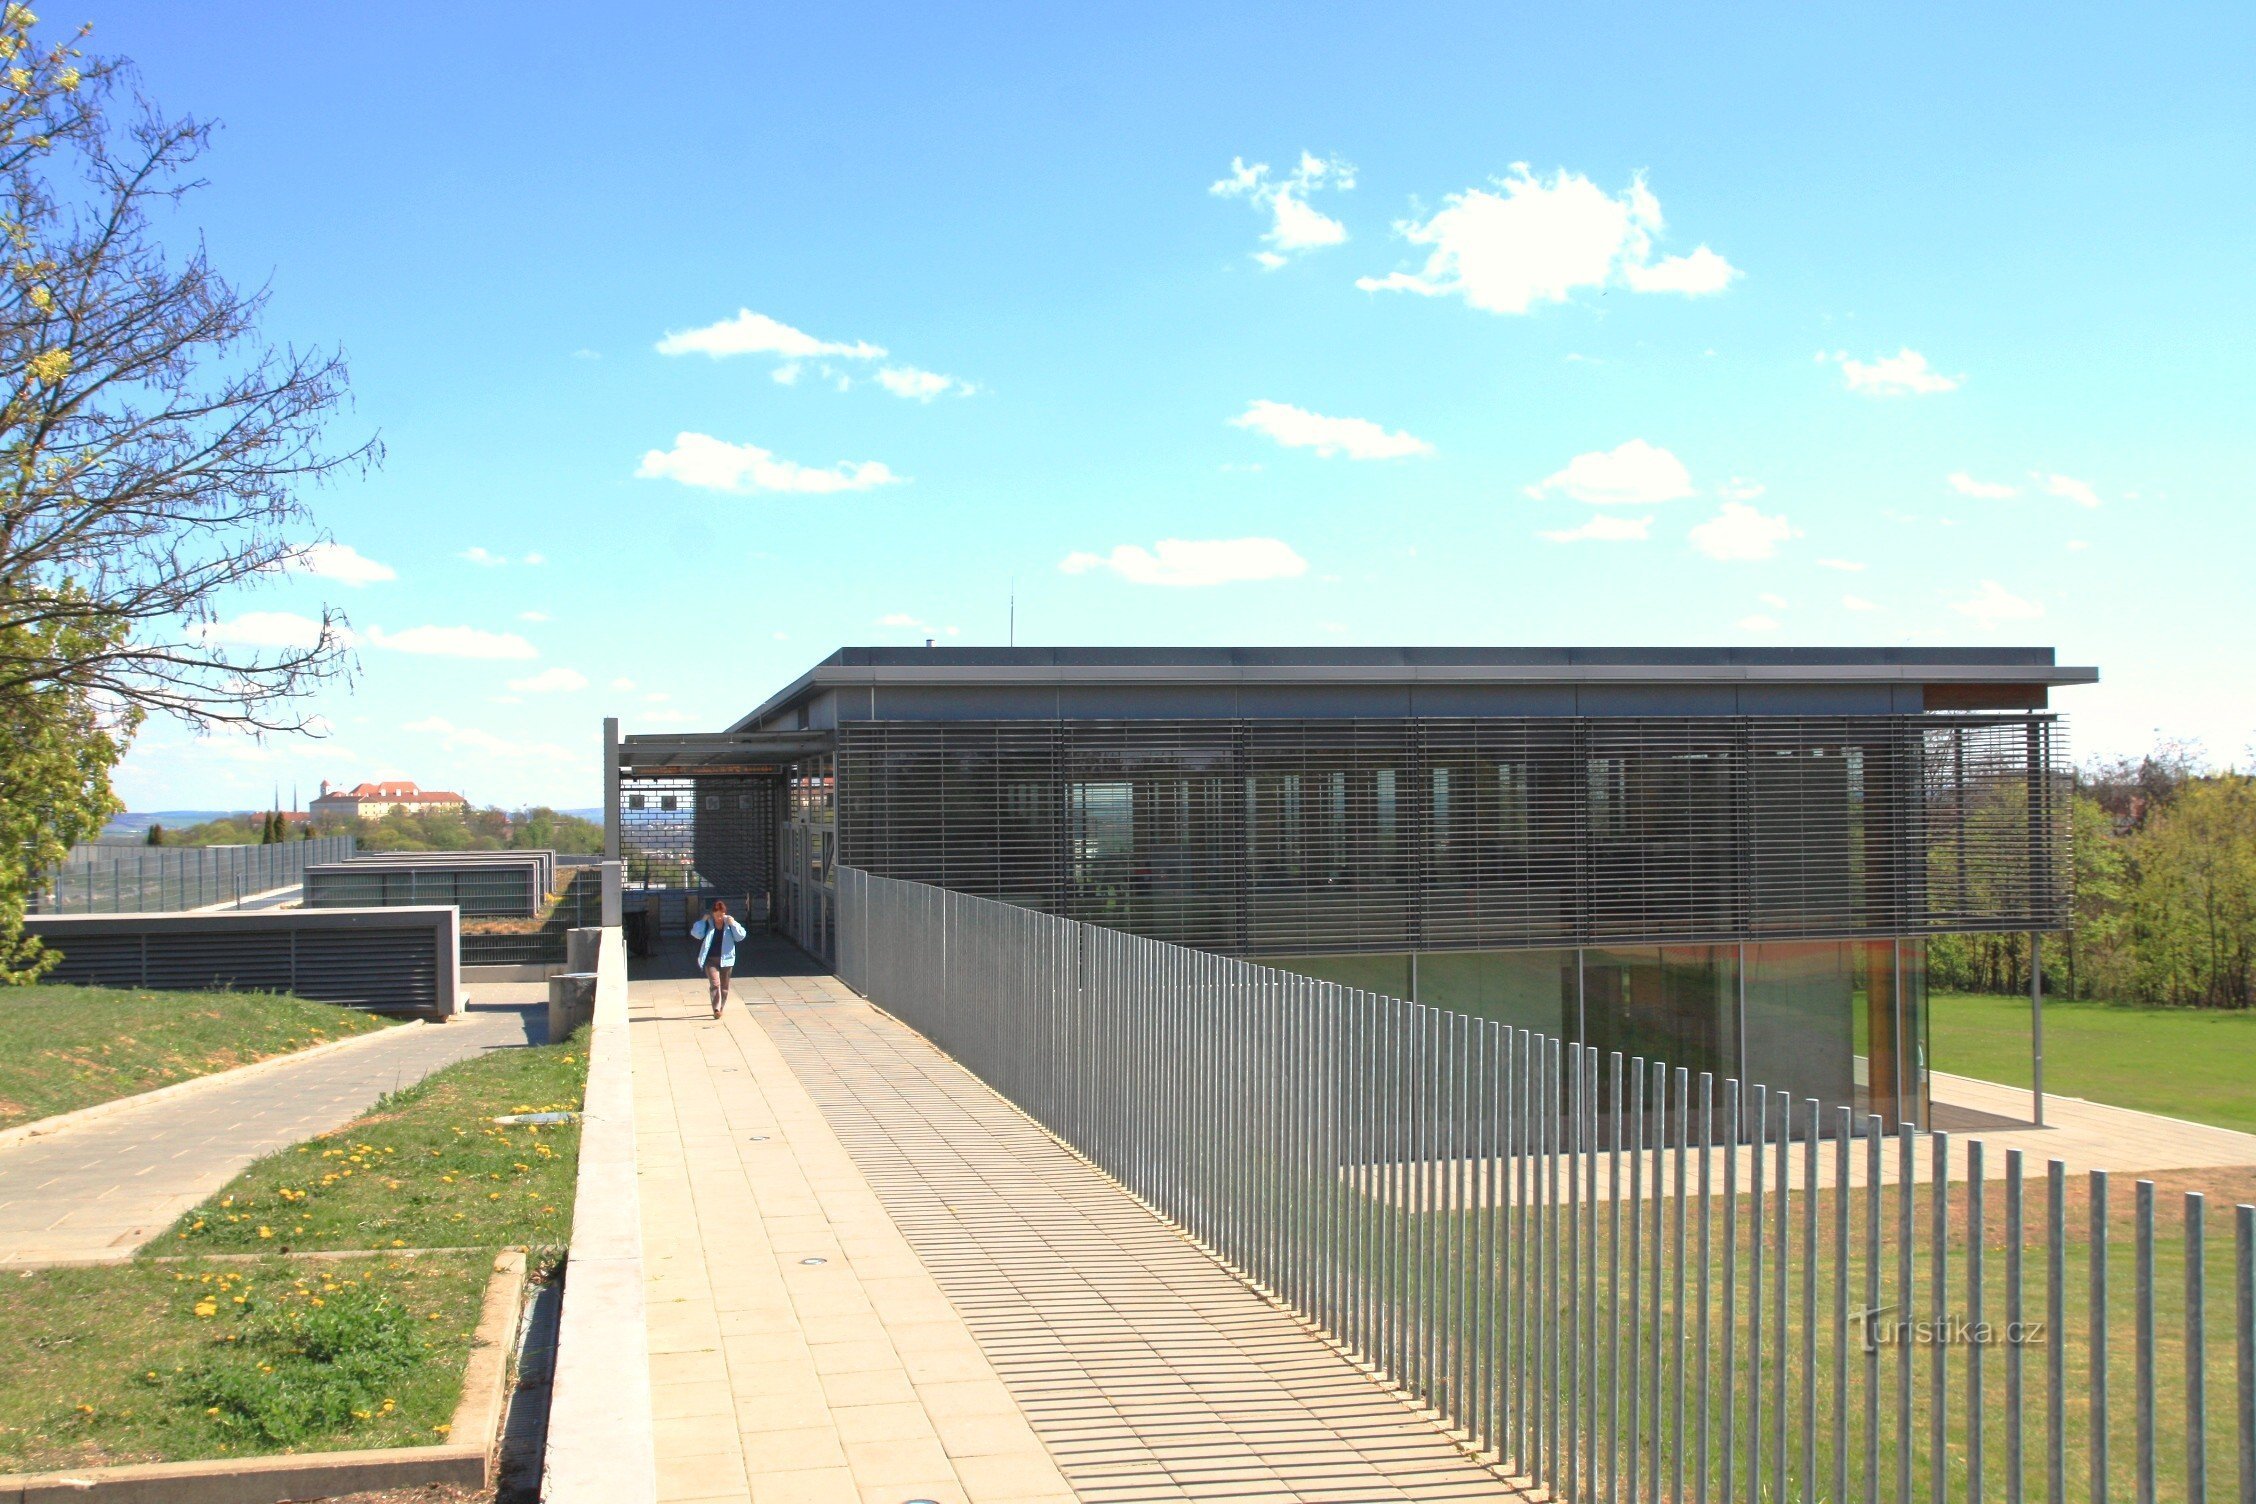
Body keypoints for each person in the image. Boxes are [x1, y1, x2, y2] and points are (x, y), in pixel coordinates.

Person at [691, 898, 746, 1018]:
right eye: (716, 915)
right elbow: (696, 934)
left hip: (726, 959)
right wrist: (702, 921)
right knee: (715, 984)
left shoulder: (729, 924)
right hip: (710, 960)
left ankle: (721, 1008)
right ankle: (716, 1009)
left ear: (725, 914)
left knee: (724, 986)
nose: (719, 918)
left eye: (721, 915)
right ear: (712, 914)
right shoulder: (708, 923)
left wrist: (734, 924)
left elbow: (740, 936)